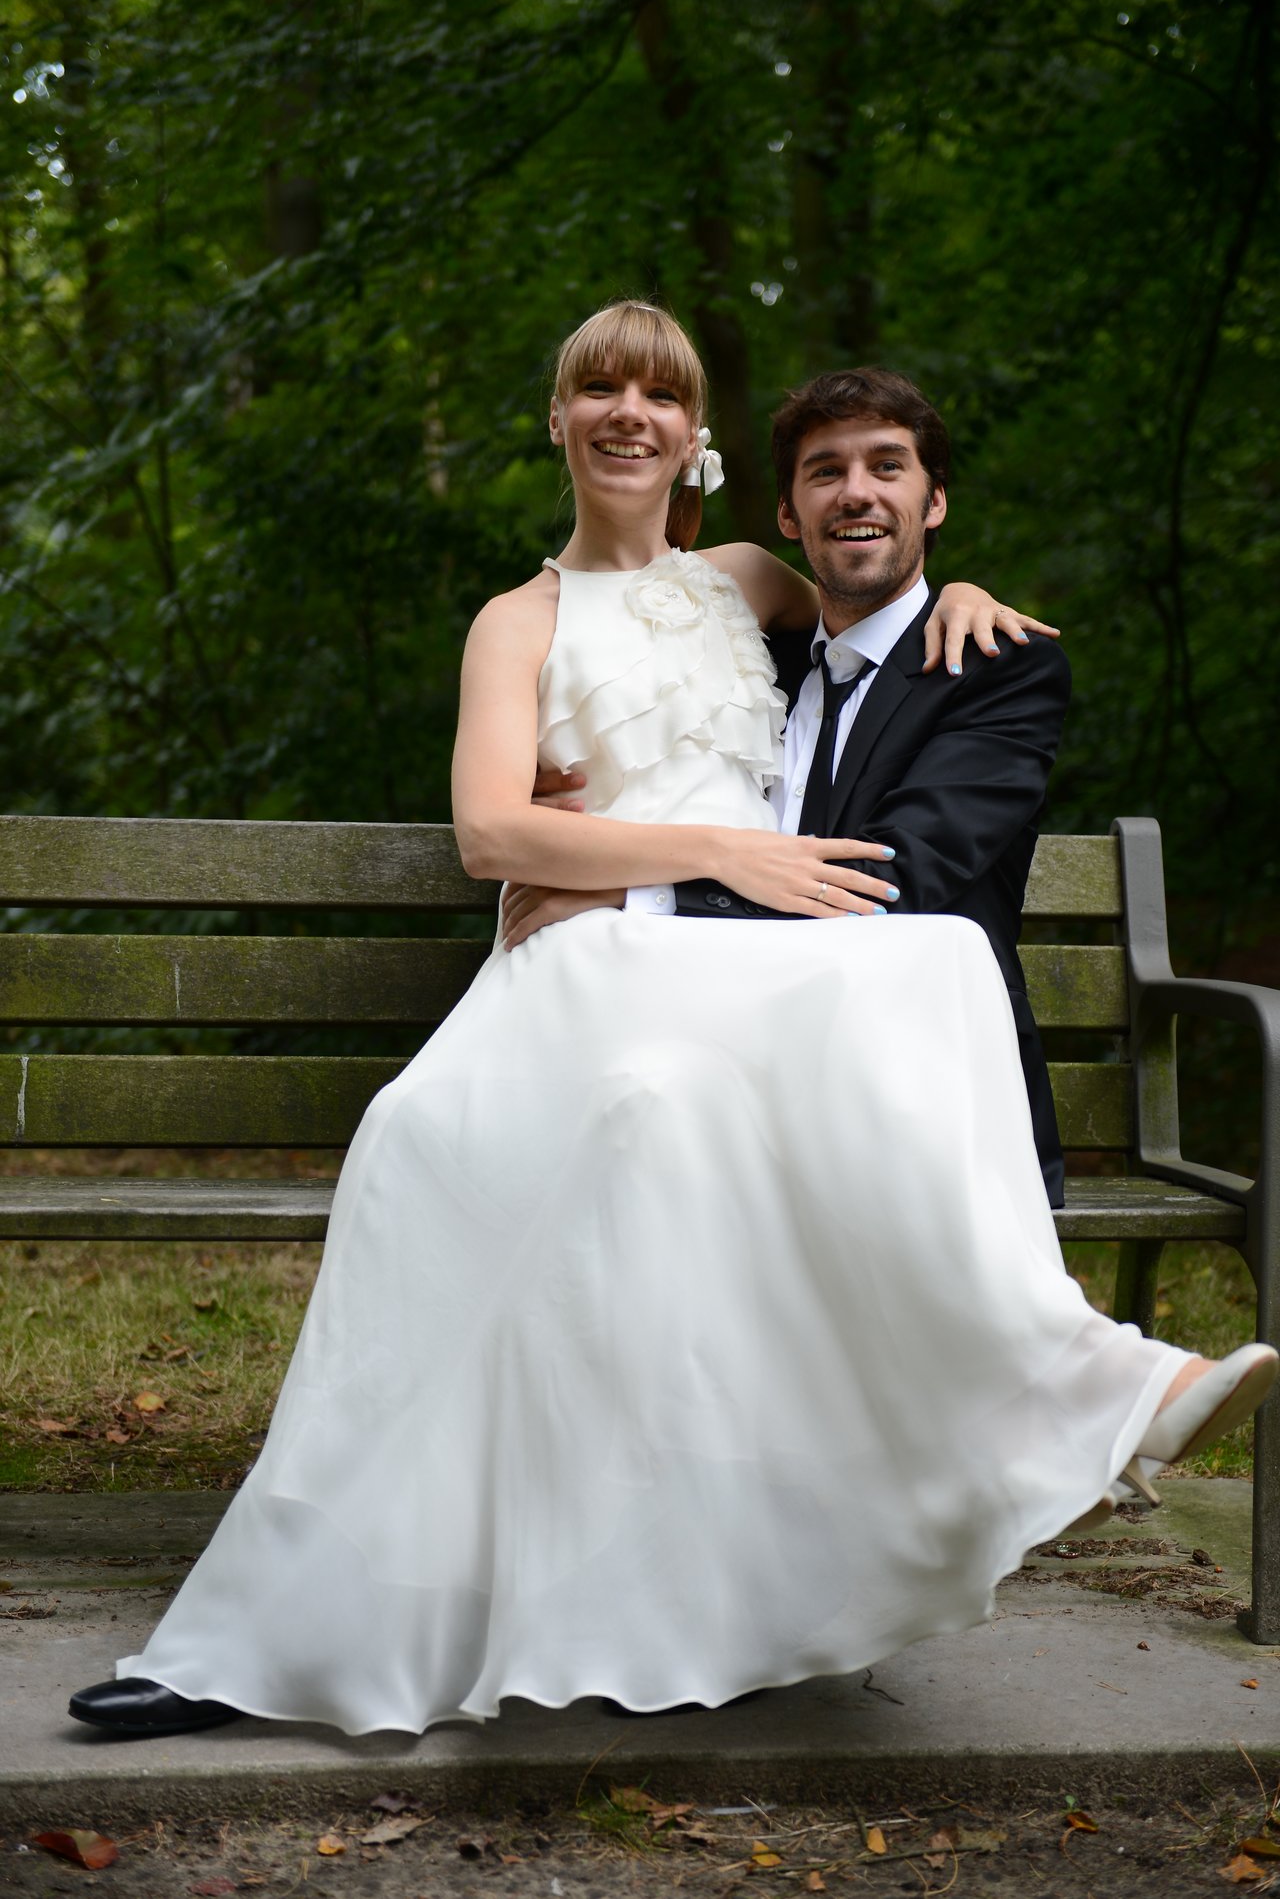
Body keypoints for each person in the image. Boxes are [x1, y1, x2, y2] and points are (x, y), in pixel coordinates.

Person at [69, 300, 1276, 1740]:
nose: (629, 411)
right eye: (599, 388)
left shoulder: (746, 578)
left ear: (695, 435)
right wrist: (687, 860)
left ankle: (1046, 1403)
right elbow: (487, 831)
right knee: (463, 1126)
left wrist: (964, 595)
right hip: (599, 960)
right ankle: (288, 1613)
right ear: (561, 420)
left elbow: (872, 588)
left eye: (660, 390)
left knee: (785, 1042)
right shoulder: (515, 619)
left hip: (731, 977)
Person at [503, 366, 1068, 1202]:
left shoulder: (990, 669)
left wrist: (636, 893)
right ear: (786, 514)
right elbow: (639, 730)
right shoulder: (745, 657)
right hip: (725, 1065)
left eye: (887, 466)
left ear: (934, 502)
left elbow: (898, 875)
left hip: (919, 1091)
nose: (857, 493)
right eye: (825, 471)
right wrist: (566, 788)